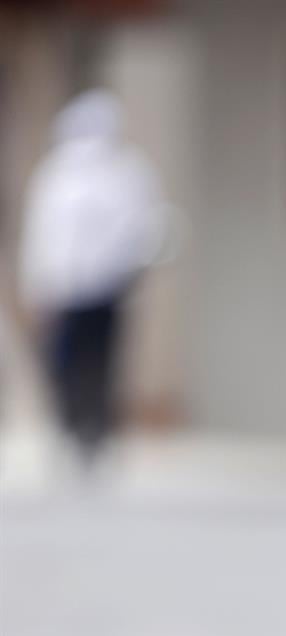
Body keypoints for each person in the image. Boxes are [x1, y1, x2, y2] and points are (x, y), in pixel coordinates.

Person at [17, 87, 166, 474]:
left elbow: (143, 225)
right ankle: (70, 427)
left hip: (106, 287)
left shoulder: (126, 172)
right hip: (65, 288)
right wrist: (36, 283)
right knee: (64, 362)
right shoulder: (56, 174)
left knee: (100, 362)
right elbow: (41, 233)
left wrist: (134, 267)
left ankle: (95, 433)